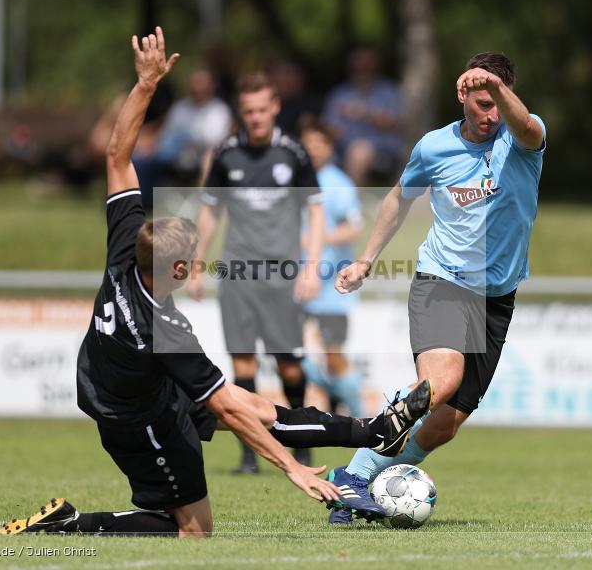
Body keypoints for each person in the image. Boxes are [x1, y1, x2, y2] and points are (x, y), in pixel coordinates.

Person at [0, 28, 431, 538]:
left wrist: (146, 84)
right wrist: (290, 468)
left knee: (260, 405)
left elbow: (116, 155)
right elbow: (224, 406)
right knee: (194, 530)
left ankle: (371, 431)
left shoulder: (125, 251)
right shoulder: (164, 328)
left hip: (127, 381)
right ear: (178, 271)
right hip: (133, 416)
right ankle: (73, 524)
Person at [322, 52, 546, 525]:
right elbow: (397, 200)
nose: (490, 116)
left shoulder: (523, 138)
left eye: (498, 103)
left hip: (497, 297)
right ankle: (356, 477)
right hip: (441, 281)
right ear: (461, 95)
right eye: (481, 103)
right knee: (442, 382)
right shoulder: (433, 147)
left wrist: (500, 93)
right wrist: (365, 259)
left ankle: (366, 479)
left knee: (445, 424)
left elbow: (524, 123)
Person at [185, 72, 325, 474]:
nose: (257, 118)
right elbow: (209, 210)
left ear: (275, 106)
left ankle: (304, 441)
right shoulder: (226, 155)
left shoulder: (294, 154)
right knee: (242, 364)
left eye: (263, 109)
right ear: (240, 112)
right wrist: (196, 265)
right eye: (249, 111)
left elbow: (316, 210)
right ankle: (250, 456)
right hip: (237, 274)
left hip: (281, 275)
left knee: (289, 365)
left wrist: (310, 268)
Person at [298, 119, 365, 417]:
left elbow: (353, 229)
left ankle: (363, 422)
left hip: (331, 288)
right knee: (291, 354)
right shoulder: (293, 180)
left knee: (333, 358)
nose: (312, 150)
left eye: (318, 144)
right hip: (297, 281)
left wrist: (317, 237)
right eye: (307, 144)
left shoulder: (338, 183)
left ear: (330, 147)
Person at [133, 68, 232, 209]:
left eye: (200, 83)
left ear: (211, 86)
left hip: (201, 156)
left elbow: (215, 140)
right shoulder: (179, 107)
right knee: (138, 161)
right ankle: (140, 204)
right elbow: (165, 134)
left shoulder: (219, 110)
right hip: (170, 155)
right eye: (193, 82)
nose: (195, 87)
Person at [322, 48, 402, 186]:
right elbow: (328, 129)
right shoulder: (340, 94)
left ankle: (350, 203)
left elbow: (397, 123)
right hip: (341, 150)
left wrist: (365, 113)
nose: (363, 70)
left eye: (367, 66)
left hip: (384, 153)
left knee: (359, 151)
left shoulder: (389, 91)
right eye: (358, 67)